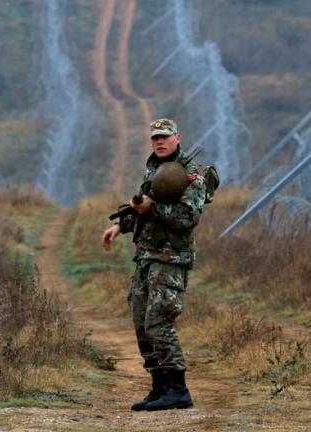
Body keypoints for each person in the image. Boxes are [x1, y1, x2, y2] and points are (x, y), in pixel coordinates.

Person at [101, 118, 208, 411]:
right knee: (141, 323)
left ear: (177, 138)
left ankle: (178, 391)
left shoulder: (192, 174)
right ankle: (160, 388)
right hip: (147, 257)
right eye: (155, 137)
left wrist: (152, 208)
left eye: (165, 136)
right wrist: (119, 226)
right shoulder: (154, 170)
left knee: (159, 322)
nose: (159, 141)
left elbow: (187, 218)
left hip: (171, 260)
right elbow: (142, 208)